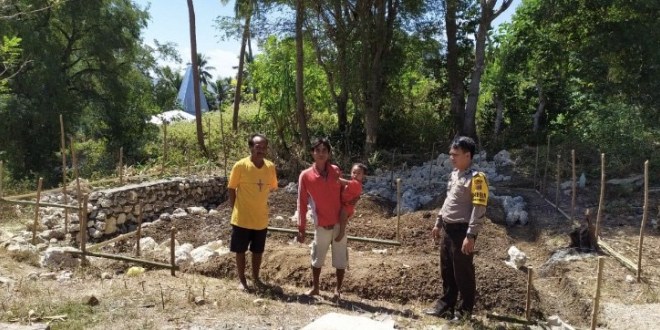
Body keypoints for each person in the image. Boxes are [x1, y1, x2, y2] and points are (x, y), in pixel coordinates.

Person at [424, 136, 489, 320]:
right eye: (450, 154)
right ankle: (446, 306)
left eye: (456, 154)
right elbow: (448, 200)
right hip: (448, 229)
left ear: (468, 155)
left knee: (463, 273)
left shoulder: (477, 179)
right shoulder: (454, 174)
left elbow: (479, 208)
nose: (452, 158)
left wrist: (471, 234)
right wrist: (438, 221)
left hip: (462, 231)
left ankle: (464, 312)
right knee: (447, 271)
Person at [297, 138, 353, 300]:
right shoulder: (305, 176)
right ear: (312, 153)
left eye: (324, 150)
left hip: (339, 225)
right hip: (321, 225)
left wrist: (350, 205)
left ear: (329, 154)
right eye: (318, 150)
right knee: (317, 258)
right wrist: (301, 228)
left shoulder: (335, 170)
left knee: (340, 259)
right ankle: (315, 288)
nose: (321, 153)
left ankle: (338, 290)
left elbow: (345, 192)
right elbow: (301, 202)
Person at [227, 133, 278, 292]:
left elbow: (272, 186)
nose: (260, 150)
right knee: (240, 250)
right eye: (257, 146)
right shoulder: (240, 166)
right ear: (251, 147)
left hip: (260, 219)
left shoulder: (270, 167)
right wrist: (234, 208)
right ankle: (242, 280)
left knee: (258, 251)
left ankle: (256, 278)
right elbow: (231, 188)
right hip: (241, 218)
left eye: (263, 147)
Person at [335, 163, 367, 242]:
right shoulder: (353, 182)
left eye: (359, 173)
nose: (355, 175)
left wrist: (336, 178)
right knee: (342, 219)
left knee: (342, 219)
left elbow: (344, 182)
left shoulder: (356, 183)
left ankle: (342, 232)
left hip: (347, 206)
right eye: (354, 172)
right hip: (346, 205)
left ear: (363, 176)